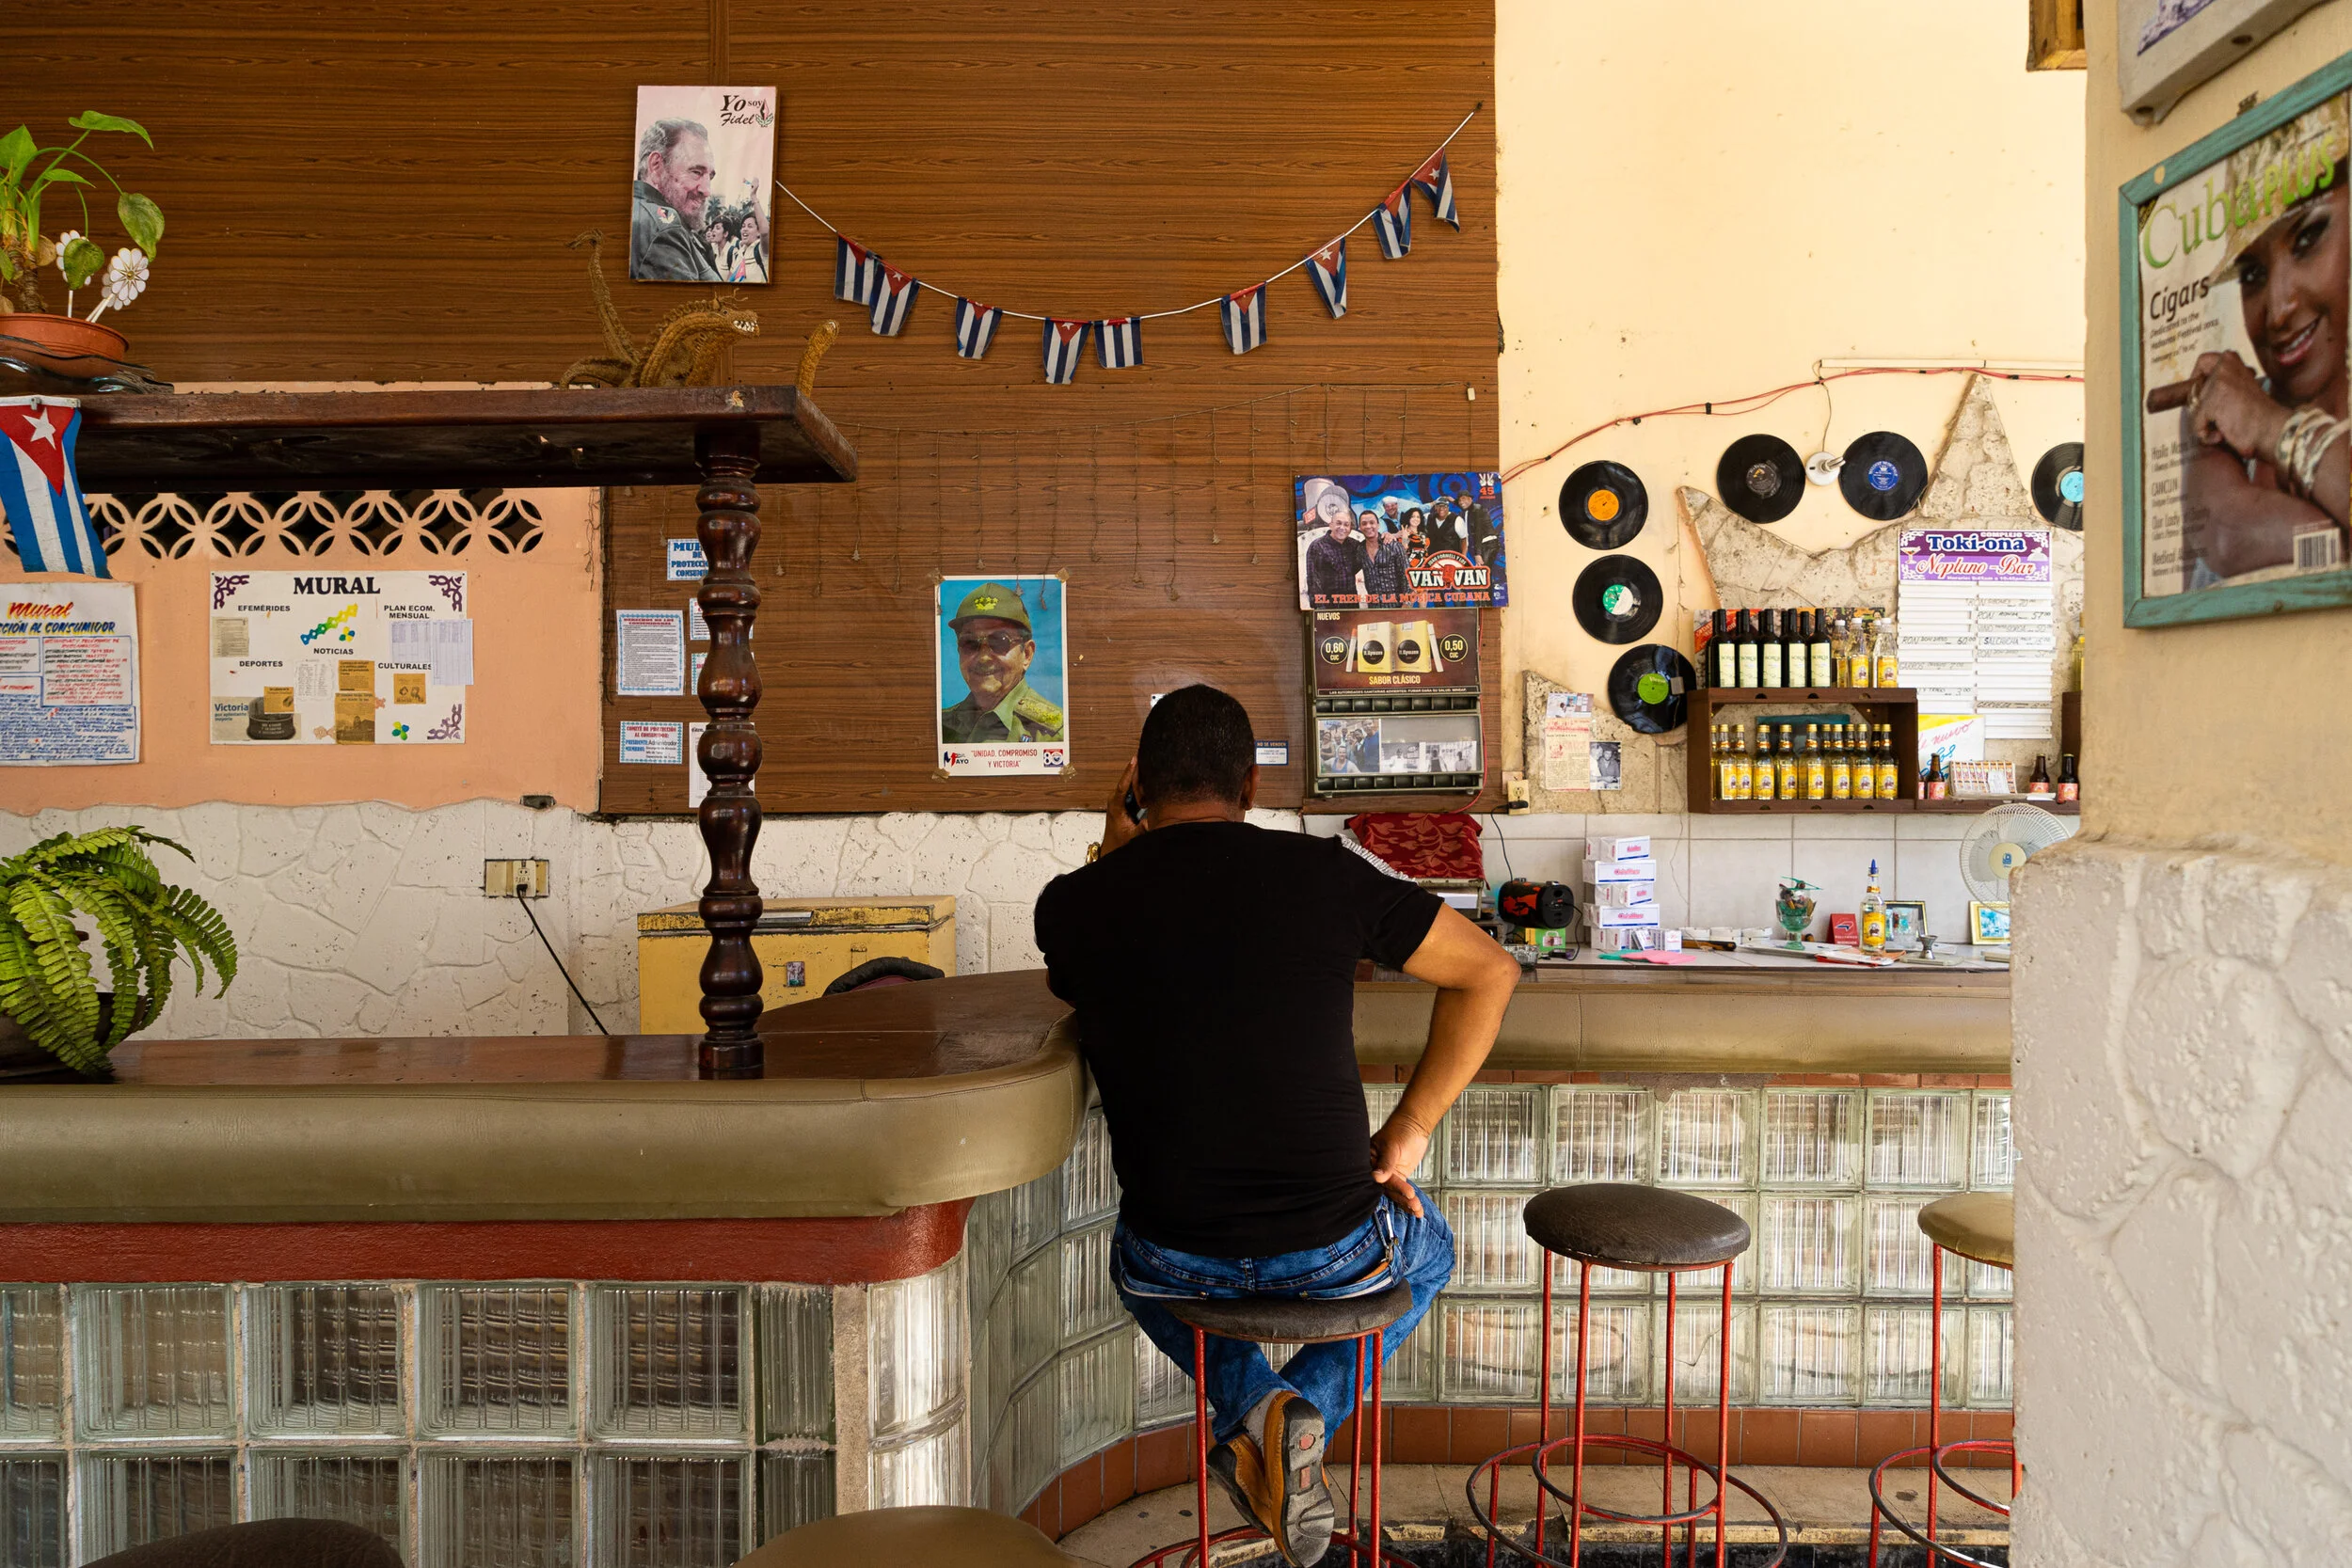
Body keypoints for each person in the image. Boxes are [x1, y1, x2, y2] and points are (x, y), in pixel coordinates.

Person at [1035, 686, 1518, 1568]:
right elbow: (1489, 970)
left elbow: (1094, 947)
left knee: (1130, 1269)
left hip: (1171, 1255)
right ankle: (1296, 1406)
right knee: (1431, 1246)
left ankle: (1259, 1413)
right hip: (1333, 1250)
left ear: (1137, 783)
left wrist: (1117, 842)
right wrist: (1407, 1128)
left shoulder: (1072, 904)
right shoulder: (1324, 874)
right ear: (1250, 787)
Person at [2180, 130, 2351, 581]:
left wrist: (2270, 426)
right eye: (2253, 273)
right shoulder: (2222, 406)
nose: (2277, 311)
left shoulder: (2245, 413)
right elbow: (2227, 540)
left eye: (2308, 238)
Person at [939, 581, 1065, 743]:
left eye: (999, 641)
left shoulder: (1054, 735)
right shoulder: (942, 727)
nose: (983, 657)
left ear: (1026, 654)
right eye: (970, 643)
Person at [631, 119, 723, 282]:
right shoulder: (664, 228)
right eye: (696, 172)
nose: (707, 190)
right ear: (656, 165)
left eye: (710, 176)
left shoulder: (642, 213)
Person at [1299, 478, 1367, 604]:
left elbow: (1372, 547)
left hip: (1351, 605)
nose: (1342, 528)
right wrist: (1320, 610)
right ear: (1331, 525)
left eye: (1346, 525)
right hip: (1328, 606)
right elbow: (1313, 581)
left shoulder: (1354, 545)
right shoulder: (1317, 546)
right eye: (1339, 523)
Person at [1362, 514, 1410, 599]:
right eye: (1364, 523)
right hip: (1373, 606)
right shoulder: (1359, 549)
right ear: (1360, 527)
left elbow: (1407, 575)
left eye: (1372, 522)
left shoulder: (1393, 545)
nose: (1368, 526)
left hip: (1396, 606)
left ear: (1378, 525)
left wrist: (1407, 603)